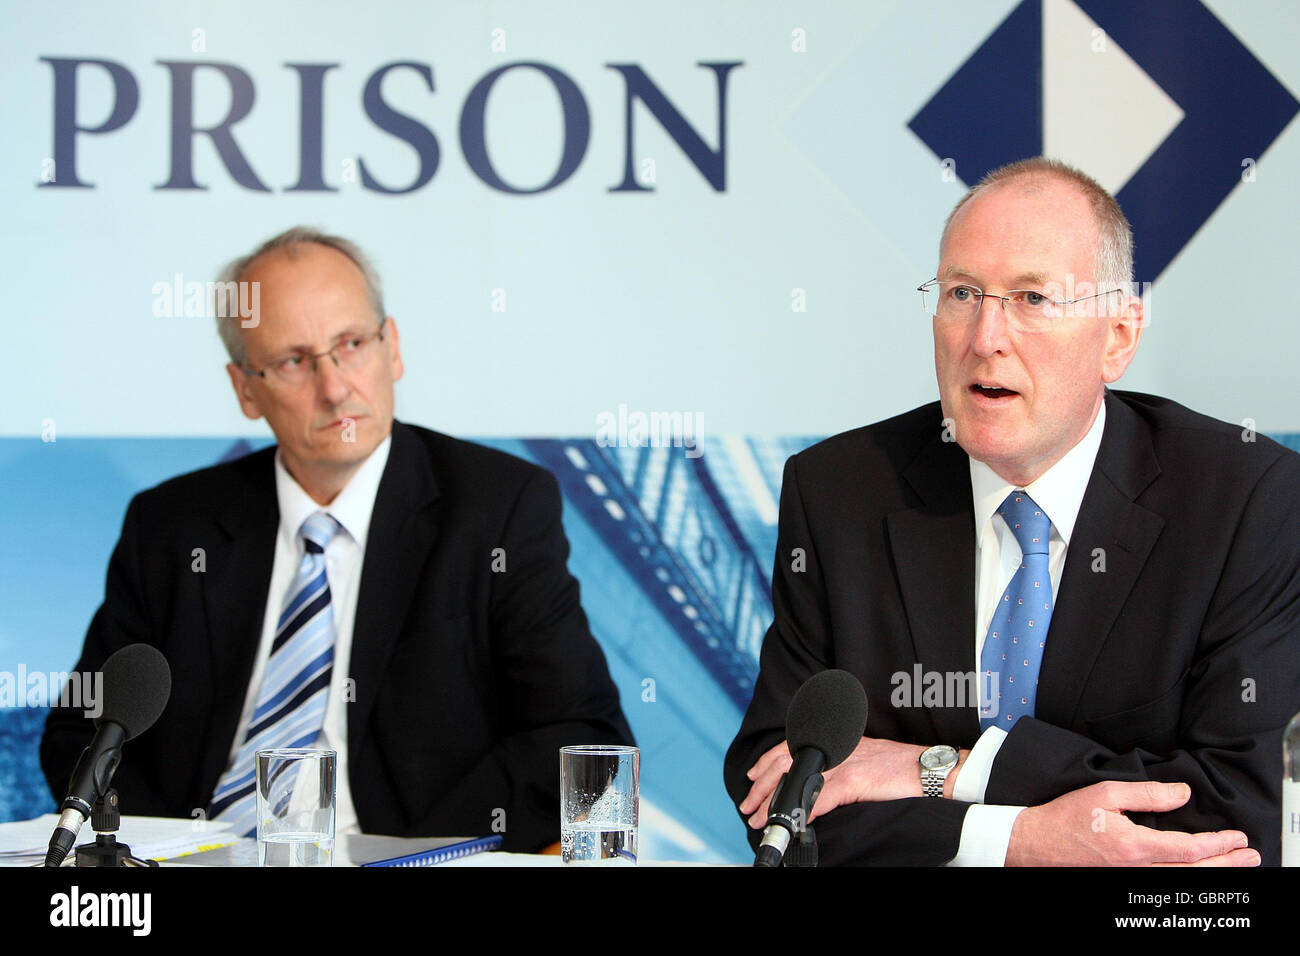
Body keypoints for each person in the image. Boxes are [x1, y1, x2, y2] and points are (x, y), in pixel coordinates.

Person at [724, 157, 1300, 866]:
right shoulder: (841, 492)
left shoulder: (1246, 501)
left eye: (1031, 298)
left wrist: (943, 769)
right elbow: (780, 796)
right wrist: (1015, 841)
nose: (985, 337)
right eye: (963, 292)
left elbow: (1239, 813)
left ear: (1117, 336)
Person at [42, 227, 634, 852]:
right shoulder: (170, 525)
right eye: (294, 361)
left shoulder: (497, 508)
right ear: (246, 388)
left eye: (351, 344)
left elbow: (582, 738)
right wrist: (184, 858)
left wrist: (403, 860)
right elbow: (83, 738)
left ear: (393, 348)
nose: (334, 388)